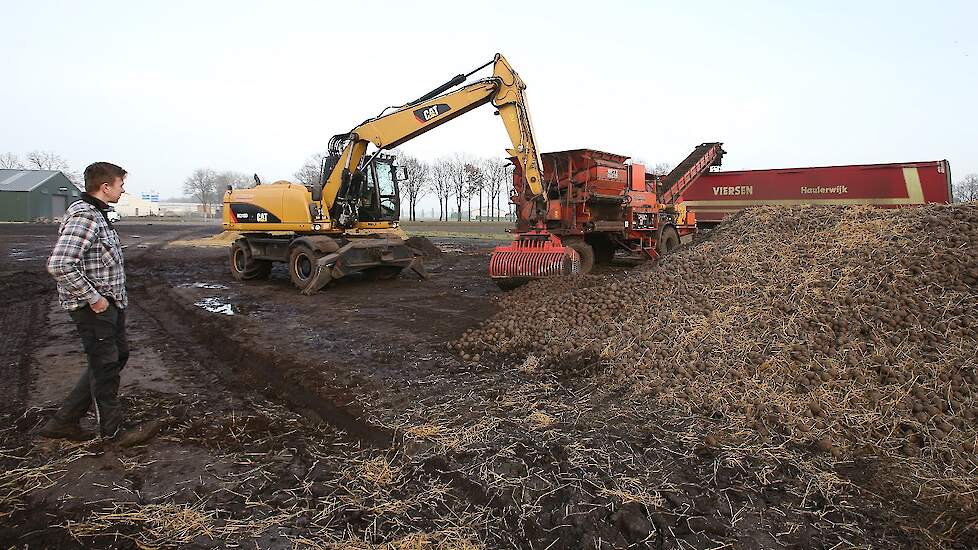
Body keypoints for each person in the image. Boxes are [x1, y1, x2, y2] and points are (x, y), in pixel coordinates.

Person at [39, 162, 132, 441]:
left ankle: (64, 421)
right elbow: (60, 264)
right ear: (105, 187)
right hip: (94, 309)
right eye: (120, 185)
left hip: (109, 305)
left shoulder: (99, 215)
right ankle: (113, 433)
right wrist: (94, 299)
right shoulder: (86, 216)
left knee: (115, 357)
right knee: (105, 367)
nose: (123, 190)